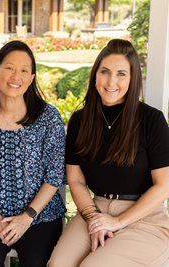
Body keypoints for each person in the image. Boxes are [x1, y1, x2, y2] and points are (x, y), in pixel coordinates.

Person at [49, 39, 169, 267]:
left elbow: (164, 185)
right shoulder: (80, 120)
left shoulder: (151, 120)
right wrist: (96, 220)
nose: (112, 81)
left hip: (145, 216)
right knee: (59, 264)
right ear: (95, 75)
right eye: (105, 72)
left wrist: (116, 222)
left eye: (121, 74)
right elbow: (75, 180)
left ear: (132, 79)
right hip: (96, 208)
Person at [0, 40, 66, 267]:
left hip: (40, 214)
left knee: (36, 262)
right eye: (9, 68)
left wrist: (27, 217)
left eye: (23, 70)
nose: (15, 76)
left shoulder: (47, 117)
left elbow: (54, 174)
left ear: (31, 78)